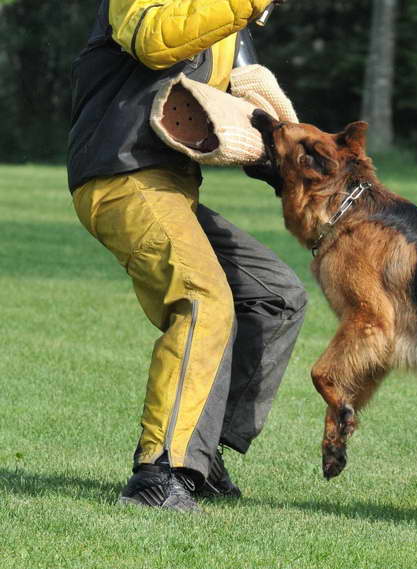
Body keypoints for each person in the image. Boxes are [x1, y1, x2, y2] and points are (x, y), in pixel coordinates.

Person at [67, 0, 306, 512]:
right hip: (121, 178)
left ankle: (199, 449)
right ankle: (156, 474)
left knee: (274, 295)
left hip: (173, 189)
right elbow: (156, 40)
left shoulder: (229, 22)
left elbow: (254, 91)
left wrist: (306, 162)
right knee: (202, 297)